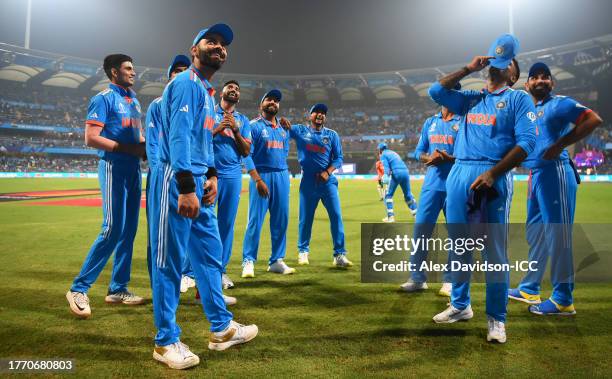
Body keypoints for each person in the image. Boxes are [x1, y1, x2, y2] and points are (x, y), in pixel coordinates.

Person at [148, 24, 257, 370]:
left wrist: (209, 176)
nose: (220, 48)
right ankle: (165, 342)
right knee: (168, 262)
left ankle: (221, 328)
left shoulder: (207, 94)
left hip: (198, 180)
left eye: (224, 45)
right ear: (194, 49)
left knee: (209, 258)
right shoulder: (183, 85)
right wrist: (185, 186)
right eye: (212, 42)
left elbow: (202, 141)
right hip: (177, 180)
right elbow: (179, 137)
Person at [428, 33, 536, 343]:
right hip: (460, 172)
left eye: (504, 65)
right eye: (493, 63)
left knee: (494, 252)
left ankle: (496, 319)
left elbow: (527, 143)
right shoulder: (471, 99)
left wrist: (493, 173)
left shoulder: (518, 99)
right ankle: (460, 306)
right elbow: (437, 91)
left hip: (493, 176)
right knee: (459, 246)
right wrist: (467, 69)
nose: (496, 69)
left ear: (513, 73)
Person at [508, 62, 602, 315]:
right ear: (527, 84)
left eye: (545, 77)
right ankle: (530, 288)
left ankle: (563, 298)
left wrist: (561, 144)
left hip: (556, 173)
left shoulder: (560, 103)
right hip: (536, 175)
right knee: (536, 235)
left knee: (558, 237)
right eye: (535, 77)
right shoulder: (531, 110)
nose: (540, 81)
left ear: (552, 83)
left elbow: (593, 119)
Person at [66, 54, 146, 319]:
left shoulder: (133, 100)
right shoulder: (103, 98)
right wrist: (127, 148)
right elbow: (90, 137)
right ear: (114, 72)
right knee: (112, 228)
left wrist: (147, 147)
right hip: (114, 167)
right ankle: (78, 288)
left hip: (134, 169)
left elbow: (138, 134)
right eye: (128, 68)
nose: (134, 73)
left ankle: (118, 288)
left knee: (129, 231)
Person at [400, 88, 461, 296]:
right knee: (421, 230)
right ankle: (417, 278)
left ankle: (450, 280)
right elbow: (419, 152)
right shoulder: (430, 122)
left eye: (453, 94)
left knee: (456, 233)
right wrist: (429, 159)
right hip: (431, 185)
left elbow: (470, 154)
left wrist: (448, 159)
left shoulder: (464, 121)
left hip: (455, 184)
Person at [281, 103, 352, 268]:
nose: (320, 115)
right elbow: (285, 130)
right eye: (316, 112)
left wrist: (328, 172)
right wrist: (283, 124)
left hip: (328, 182)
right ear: (310, 115)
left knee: (336, 216)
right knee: (305, 219)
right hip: (308, 181)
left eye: (323, 113)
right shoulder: (300, 130)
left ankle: (339, 254)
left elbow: (338, 158)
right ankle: (303, 251)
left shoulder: (332, 135)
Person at [145, 54, 190, 285]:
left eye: (185, 70)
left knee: (185, 230)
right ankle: (158, 283)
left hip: (186, 174)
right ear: (169, 76)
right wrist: (158, 173)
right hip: (162, 173)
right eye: (177, 70)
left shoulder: (193, 101)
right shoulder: (157, 105)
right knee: (159, 232)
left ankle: (184, 275)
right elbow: (152, 142)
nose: (181, 73)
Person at [241, 89, 295, 277]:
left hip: (281, 176)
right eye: (269, 99)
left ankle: (277, 260)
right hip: (261, 176)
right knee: (255, 220)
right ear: (261, 105)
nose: (273, 102)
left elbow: (285, 152)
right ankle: (248, 260)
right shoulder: (253, 126)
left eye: (276, 101)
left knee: (281, 220)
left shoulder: (283, 128)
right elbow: (246, 155)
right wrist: (257, 179)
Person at [212, 80, 251, 288]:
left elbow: (246, 151)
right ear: (222, 92)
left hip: (233, 175)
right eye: (230, 87)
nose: (234, 90)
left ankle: (220, 271)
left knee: (226, 225)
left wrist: (235, 130)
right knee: (200, 223)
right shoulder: (209, 111)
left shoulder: (243, 120)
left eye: (237, 89)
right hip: (209, 174)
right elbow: (199, 138)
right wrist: (219, 128)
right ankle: (188, 272)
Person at [378, 143, 418, 222]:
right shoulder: (393, 152)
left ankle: (391, 217)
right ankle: (417, 215)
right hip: (405, 172)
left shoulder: (383, 154)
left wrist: (385, 175)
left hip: (397, 173)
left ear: (380, 150)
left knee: (388, 195)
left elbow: (386, 166)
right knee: (408, 195)